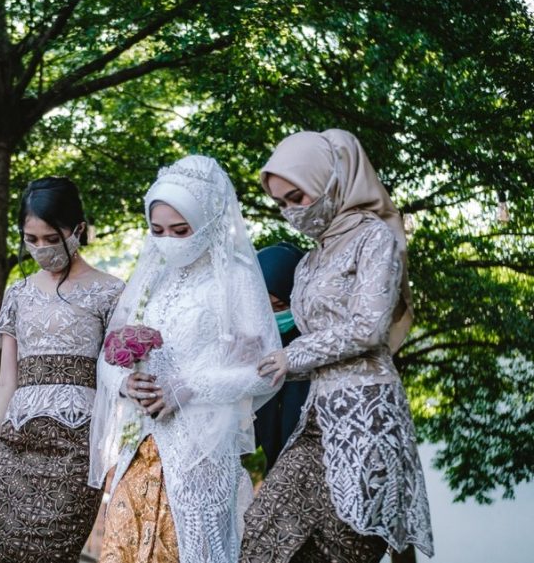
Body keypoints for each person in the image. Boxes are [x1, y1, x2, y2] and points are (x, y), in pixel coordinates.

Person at [239, 129, 433, 562]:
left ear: (331, 181)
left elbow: (368, 328)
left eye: (298, 196)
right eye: (281, 203)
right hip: (316, 417)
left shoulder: (374, 239)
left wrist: (291, 357)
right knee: (262, 532)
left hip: (366, 417)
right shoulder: (309, 260)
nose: (291, 212)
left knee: (345, 546)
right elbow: (308, 347)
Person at [90, 155, 282, 563]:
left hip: (201, 449)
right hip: (140, 445)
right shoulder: (151, 280)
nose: (168, 241)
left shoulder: (237, 277)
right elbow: (109, 357)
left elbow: (267, 371)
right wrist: (125, 382)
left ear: (210, 221)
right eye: (157, 230)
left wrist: (190, 387)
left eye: (181, 230)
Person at [0, 177, 124, 563]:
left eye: (50, 239)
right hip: (12, 448)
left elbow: (118, 384)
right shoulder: (17, 294)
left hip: (75, 454)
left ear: (78, 230)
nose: (39, 249)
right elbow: (6, 383)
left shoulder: (112, 292)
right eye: (30, 239)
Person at [252, 242, 309, 473]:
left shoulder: (318, 339)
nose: (274, 314)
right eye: (266, 306)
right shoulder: (249, 340)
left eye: (281, 305)